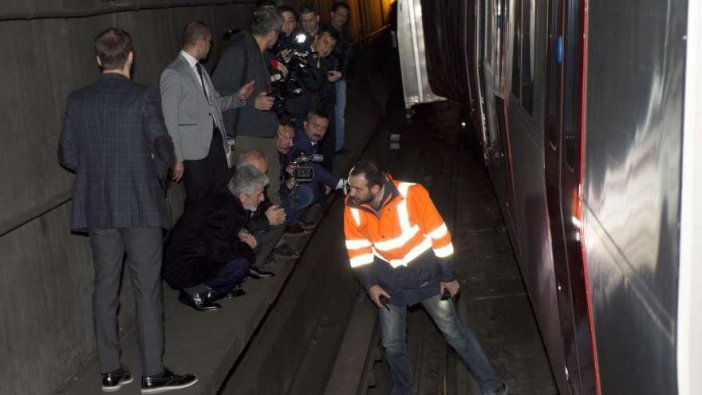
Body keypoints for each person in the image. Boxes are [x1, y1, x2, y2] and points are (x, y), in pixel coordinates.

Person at [59, 28, 197, 393]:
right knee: (146, 289)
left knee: (105, 287)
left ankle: (110, 371)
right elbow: (163, 147)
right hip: (139, 208)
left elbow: (68, 156)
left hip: (100, 210)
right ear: (131, 58)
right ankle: (153, 373)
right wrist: (151, 178)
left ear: (98, 58)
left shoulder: (78, 100)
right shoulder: (143, 97)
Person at [343, 160, 508, 395]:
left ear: (376, 188)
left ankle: (492, 385)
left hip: (426, 278)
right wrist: (371, 285)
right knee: (392, 346)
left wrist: (448, 276)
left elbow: (440, 237)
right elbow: (358, 251)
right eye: (351, 187)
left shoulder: (412, 194)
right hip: (390, 285)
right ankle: (403, 389)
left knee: (455, 333)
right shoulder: (352, 206)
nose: (351, 193)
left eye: (357, 188)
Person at [160, 21, 255, 206]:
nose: (211, 48)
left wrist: (238, 97)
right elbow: (169, 120)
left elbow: (215, 104)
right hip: (194, 153)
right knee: (198, 203)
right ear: (201, 42)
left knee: (221, 196)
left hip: (215, 145)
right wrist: (176, 158)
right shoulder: (173, 73)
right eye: (210, 42)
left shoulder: (201, 70)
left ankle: (216, 234)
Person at [162, 165, 270, 312]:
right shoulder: (221, 212)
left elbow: (220, 238)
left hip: (196, 256)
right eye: (259, 194)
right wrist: (246, 247)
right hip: (182, 269)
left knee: (241, 257)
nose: (263, 198)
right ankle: (196, 292)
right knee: (240, 264)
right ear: (244, 196)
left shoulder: (227, 200)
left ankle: (220, 288)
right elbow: (220, 253)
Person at [213, 6, 285, 205]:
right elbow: (216, 92)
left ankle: (274, 233)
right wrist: (253, 102)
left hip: (265, 134)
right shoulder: (238, 52)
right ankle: (249, 233)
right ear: (273, 33)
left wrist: (278, 126)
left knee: (272, 191)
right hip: (247, 137)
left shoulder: (262, 55)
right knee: (249, 195)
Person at [328, 2, 352, 153]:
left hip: (340, 78)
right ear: (332, 14)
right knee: (329, 114)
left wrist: (343, 73)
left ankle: (338, 145)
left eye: (345, 16)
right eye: (339, 14)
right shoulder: (325, 32)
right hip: (328, 78)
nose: (342, 18)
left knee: (339, 114)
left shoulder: (344, 33)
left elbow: (347, 58)